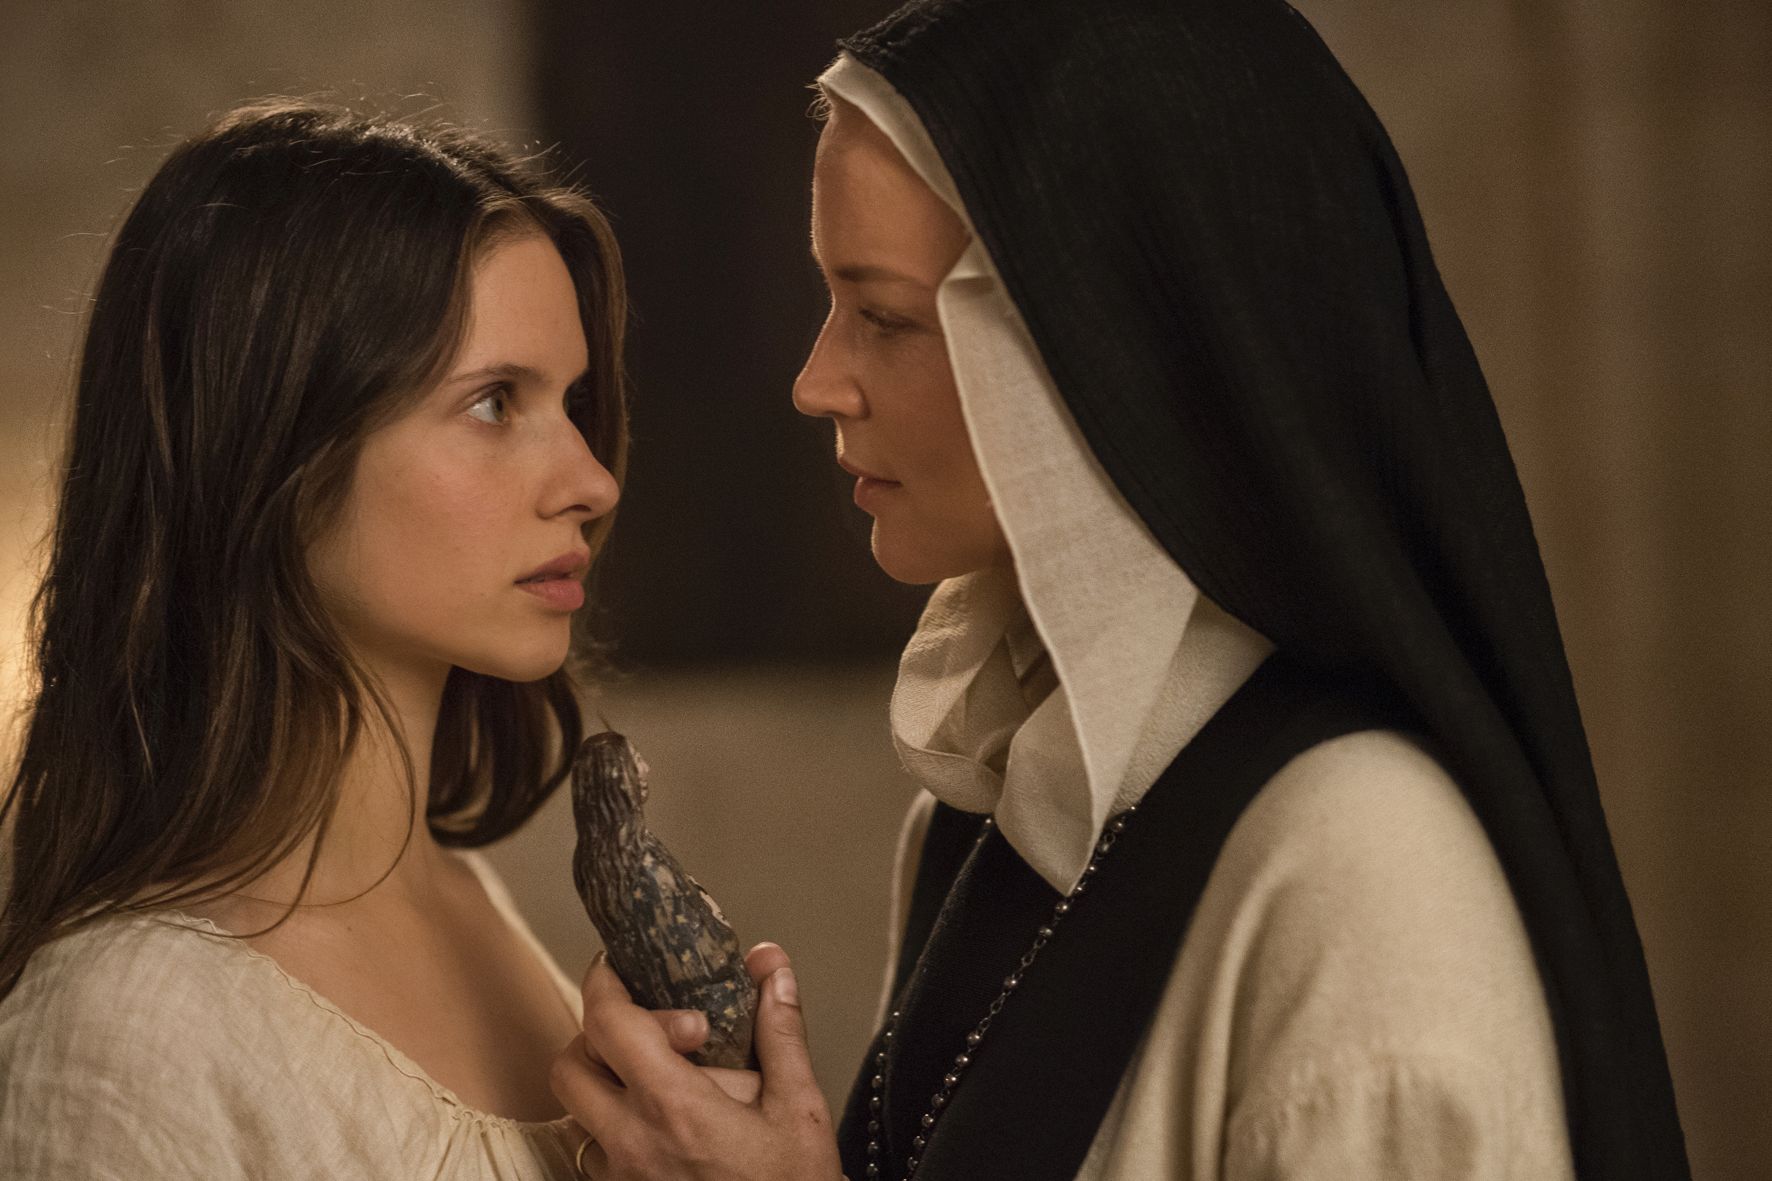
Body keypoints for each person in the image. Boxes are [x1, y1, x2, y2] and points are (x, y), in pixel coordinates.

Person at [549, 1, 1690, 1179]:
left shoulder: (1363, 876)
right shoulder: (991, 805)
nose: (815, 380)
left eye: (883, 315)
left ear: (1111, 348)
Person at [0, 100, 635, 1178]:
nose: (590, 479)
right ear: (276, 442)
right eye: (493, 402)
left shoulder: (471, 901)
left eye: (572, 401)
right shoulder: (129, 1023)